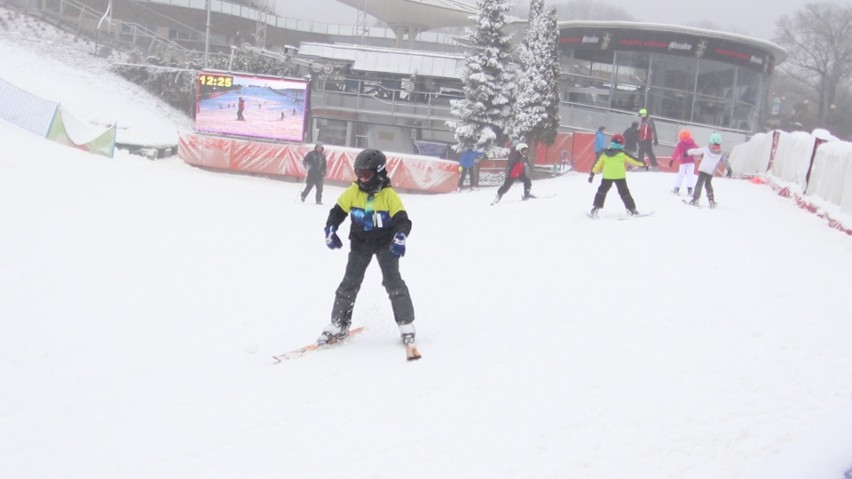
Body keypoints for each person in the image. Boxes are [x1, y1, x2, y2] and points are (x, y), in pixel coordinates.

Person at [319, 148, 416, 346]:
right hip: (360, 244)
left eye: (367, 174)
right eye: (358, 173)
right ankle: (339, 324)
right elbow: (338, 211)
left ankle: (406, 323)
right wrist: (331, 228)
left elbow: (403, 220)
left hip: (385, 245)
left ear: (379, 173)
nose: (362, 179)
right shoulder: (353, 191)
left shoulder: (389, 195)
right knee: (349, 283)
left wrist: (400, 236)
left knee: (393, 282)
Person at [587, 133, 645, 217]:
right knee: (624, 193)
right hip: (619, 176)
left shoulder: (605, 153)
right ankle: (632, 210)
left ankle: (595, 208)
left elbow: (598, 164)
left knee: (601, 192)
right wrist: (644, 164)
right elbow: (633, 160)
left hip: (607, 176)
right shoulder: (622, 153)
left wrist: (592, 174)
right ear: (622, 143)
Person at [686, 133, 727, 208]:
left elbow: (697, 151)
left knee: (699, 183)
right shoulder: (721, 152)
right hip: (711, 171)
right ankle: (711, 200)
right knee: (708, 184)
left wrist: (688, 152)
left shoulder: (707, 148)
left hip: (703, 169)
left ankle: (696, 199)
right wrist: (729, 169)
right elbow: (724, 161)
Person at [670, 129, 698, 196]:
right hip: (691, 162)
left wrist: (672, 160)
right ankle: (690, 190)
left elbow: (676, 153)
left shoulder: (681, 144)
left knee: (680, 175)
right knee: (690, 175)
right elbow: (697, 150)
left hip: (683, 162)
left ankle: (677, 188)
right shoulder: (693, 143)